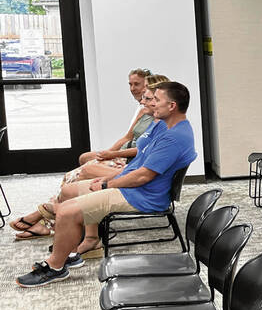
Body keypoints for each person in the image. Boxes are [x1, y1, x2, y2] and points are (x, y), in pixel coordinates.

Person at [16, 82, 198, 288]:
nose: (151, 104)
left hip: (142, 196)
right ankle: (73, 251)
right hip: (133, 187)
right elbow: (138, 165)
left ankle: (55, 267)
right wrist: (106, 180)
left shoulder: (174, 137)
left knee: (66, 211)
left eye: (156, 100)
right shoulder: (164, 125)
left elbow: (142, 177)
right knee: (68, 192)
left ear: (172, 106)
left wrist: (107, 185)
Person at [11, 75, 169, 243]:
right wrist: (107, 154)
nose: (139, 95)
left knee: (83, 173)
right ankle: (58, 218)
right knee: (83, 161)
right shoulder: (146, 113)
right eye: (133, 86)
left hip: (132, 169)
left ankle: (50, 217)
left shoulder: (163, 126)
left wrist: (112, 163)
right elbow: (127, 138)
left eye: (147, 95)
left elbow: (144, 158)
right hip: (128, 164)